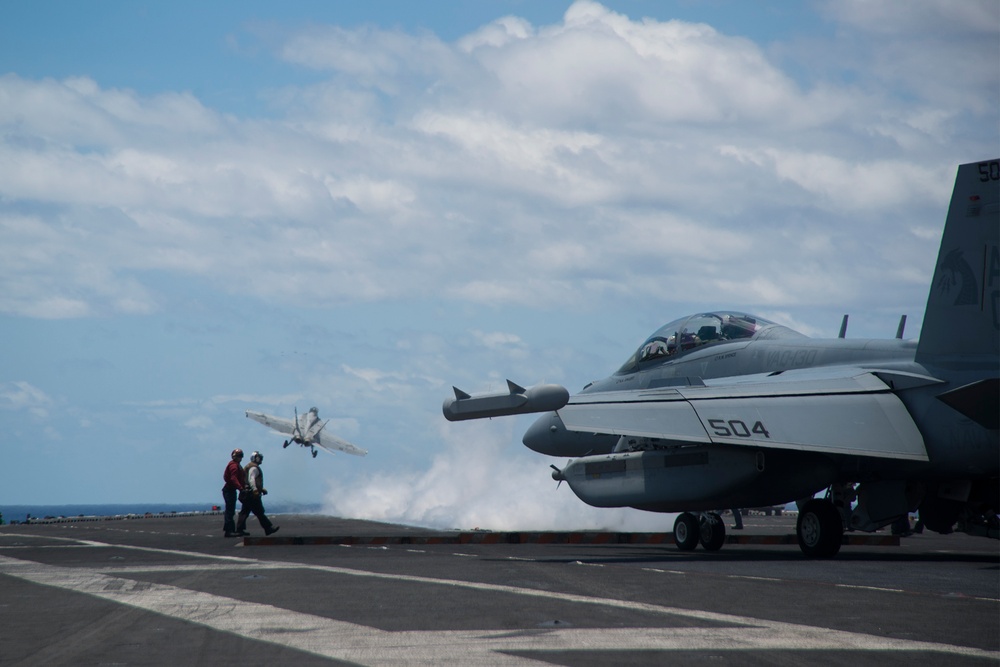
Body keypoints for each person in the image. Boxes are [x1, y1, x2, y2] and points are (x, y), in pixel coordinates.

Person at [237, 451, 279, 536]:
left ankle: (239, 529)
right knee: (259, 512)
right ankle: (268, 528)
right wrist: (255, 489)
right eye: (259, 458)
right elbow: (251, 479)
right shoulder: (254, 467)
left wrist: (261, 489)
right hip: (251, 494)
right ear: (255, 458)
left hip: (246, 493)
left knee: (244, 512)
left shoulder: (249, 466)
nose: (261, 460)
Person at [222, 448, 248, 538]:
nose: (240, 458)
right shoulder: (234, 466)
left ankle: (232, 530)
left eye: (241, 456)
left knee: (231, 510)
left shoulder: (236, 465)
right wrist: (241, 488)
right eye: (239, 456)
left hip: (231, 490)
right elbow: (233, 478)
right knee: (229, 511)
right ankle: (228, 531)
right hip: (229, 490)